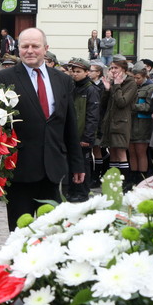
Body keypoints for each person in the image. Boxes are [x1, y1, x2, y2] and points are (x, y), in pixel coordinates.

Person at [0, 27, 84, 230]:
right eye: (25, 46)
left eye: (35, 46)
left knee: (54, 233)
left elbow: (69, 124)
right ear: (18, 49)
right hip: (20, 171)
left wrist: (77, 163)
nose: (30, 50)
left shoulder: (63, 80)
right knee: (20, 234)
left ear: (46, 49)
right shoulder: (3, 79)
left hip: (55, 170)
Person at [66, 58, 100, 202]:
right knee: (71, 163)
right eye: (73, 71)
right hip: (71, 134)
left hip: (83, 135)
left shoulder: (91, 89)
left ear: (87, 72)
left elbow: (93, 115)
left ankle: (83, 192)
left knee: (83, 164)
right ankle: (72, 190)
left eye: (78, 71)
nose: (75, 74)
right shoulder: (71, 87)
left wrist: (88, 137)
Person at [100, 55, 137, 186]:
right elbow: (103, 104)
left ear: (123, 69)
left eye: (115, 67)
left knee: (121, 152)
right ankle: (114, 182)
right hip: (110, 122)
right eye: (111, 68)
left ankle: (125, 183)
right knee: (113, 152)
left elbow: (122, 102)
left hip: (122, 123)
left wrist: (116, 86)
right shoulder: (114, 82)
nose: (112, 70)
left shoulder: (130, 82)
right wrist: (107, 89)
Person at [129, 64, 153, 184]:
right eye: (133, 78)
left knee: (141, 152)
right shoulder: (132, 87)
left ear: (144, 76)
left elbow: (149, 106)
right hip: (131, 123)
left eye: (138, 78)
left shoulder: (151, 87)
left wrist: (133, 106)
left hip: (143, 123)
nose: (135, 80)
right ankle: (133, 177)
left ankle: (142, 178)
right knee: (132, 152)